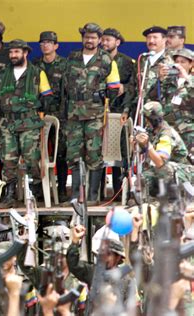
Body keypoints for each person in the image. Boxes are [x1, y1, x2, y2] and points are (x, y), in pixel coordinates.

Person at [63, 23, 120, 206]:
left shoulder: (106, 59)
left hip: (95, 114)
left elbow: (114, 87)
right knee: (74, 153)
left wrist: (99, 99)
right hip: (73, 114)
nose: (89, 40)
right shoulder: (72, 57)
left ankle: (92, 196)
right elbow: (64, 84)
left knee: (94, 154)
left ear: (99, 40)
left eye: (93, 37)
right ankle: (76, 196)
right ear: (83, 38)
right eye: (87, 37)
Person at [0, 39, 53, 208]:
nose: (13, 55)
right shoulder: (3, 73)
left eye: (17, 52)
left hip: (29, 121)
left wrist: (40, 114)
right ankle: (10, 194)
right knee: (7, 159)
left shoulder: (37, 73)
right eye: (11, 52)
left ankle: (35, 191)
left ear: (25, 53)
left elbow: (47, 96)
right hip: (8, 122)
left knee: (31, 157)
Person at [33, 31, 69, 202]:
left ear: (56, 45)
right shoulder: (34, 65)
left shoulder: (64, 65)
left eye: (49, 42)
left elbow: (67, 92)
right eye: (42, 42)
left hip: (59, 114)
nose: (45, 45)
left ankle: (61, 189)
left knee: (60, 153)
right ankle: (40, 190)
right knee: (38, 153)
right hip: (39, 114)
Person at [101, 28, 136, 200]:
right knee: (98, 153)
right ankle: (99, 192)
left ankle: (119, 191)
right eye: (103, 40)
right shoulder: (97, 60)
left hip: (119, 111)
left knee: (121, 153)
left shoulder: (127, 62)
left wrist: (126, 109)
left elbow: (133, 87)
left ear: (117, 42)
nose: (105, 43)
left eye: (108, 40)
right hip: (99, 113)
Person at [133, 101, 193, 197]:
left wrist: (148, 145)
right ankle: (149, 199)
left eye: (147, 119)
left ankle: (175, 197)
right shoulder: (152, 130)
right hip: (165, 171)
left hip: (183, 173)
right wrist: (136, 143)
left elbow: (160, 162)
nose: (146, 122)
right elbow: (142, 152)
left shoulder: (166, 134)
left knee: (165, 168)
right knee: (145, 178)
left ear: (153, 120)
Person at [158, 48, 193, 163]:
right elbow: (154, 97)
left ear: (191, 63)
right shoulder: (170, 81)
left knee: (189, 163)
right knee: (170, 164)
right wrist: (160, 80)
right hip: (170, 129)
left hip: (188, 131)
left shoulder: (191, 81)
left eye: (183, 62)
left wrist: (186, 78)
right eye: (177, 62)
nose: (179, 65)